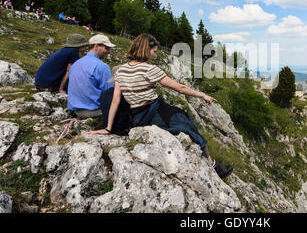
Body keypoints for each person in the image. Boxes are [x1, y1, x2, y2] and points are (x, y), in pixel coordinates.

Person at [86, 34, 233, 179]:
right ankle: (212, 165)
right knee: (186, 123)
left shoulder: (121, 70)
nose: (155, 55)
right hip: (154, 110)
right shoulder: (150, 69)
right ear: (145, 50)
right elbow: (180, 88)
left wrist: (108, 128)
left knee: (182, 116)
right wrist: (202, 95)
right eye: (154, 51)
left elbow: (116, 99)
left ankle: (211, 162)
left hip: (137, 115)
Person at [67, 34, 115, 118]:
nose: (109, 51)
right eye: (106, 48)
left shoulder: (76, 63)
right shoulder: (102, 66)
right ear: (96, 46)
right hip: (93, 111)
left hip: (75, 110)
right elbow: (109, 94)